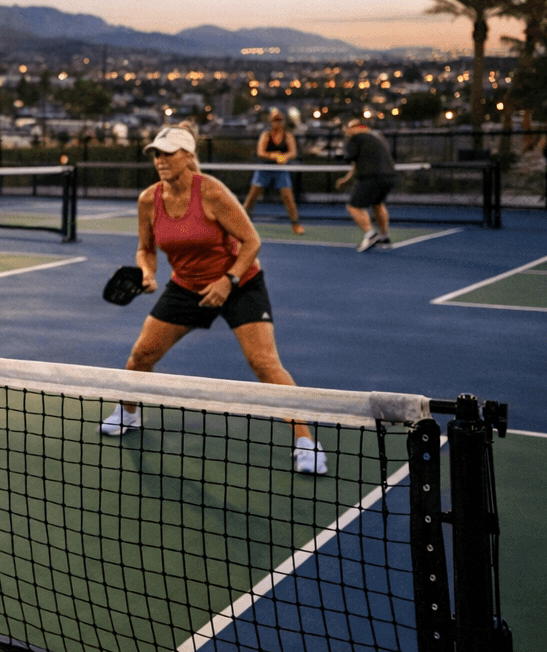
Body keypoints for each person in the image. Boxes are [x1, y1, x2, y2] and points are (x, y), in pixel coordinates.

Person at [98, 125, 326, 475]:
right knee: (141, 356)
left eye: (168, 153)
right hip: (186, 287)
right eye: (156, 154)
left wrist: (228, 280)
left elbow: (251, 242)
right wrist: (146, 273)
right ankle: (128, 414)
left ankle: (306, 440)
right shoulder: (148, 200)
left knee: (264, 363)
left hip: (240, 282)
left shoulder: (212, 193)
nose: (160, 160)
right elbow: (146, 248)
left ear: (188, 157)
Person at [336, 117, 397, 252]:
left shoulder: (355, 139)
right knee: (377, 203)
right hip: (390, 176)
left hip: (372, 177)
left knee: (353, 207)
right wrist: (346, 180)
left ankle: (370, 234)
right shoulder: (378, 139)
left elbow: (351, 159)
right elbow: (357, 164)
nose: (347, 131)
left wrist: (341, 154)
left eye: (350, 128)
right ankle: (384, 237)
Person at [241, 109, 306, 235]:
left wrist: (283, 157)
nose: (277, 123)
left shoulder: (288, 136)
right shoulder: (266, 135)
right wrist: (273, 156)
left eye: (279, 120)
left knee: (288, 197)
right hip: (264, 168)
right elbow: (261, 152)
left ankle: (295, 224)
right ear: (271, 121)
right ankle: (240, 222)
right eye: (275, 120)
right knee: (252, 196)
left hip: (280, 170)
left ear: (283, 121)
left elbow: (293, 152)